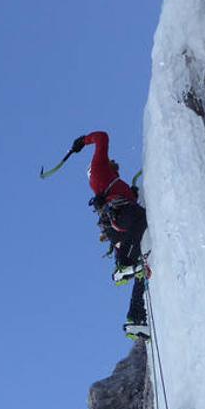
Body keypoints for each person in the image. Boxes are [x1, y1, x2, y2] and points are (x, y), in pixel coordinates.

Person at [69, 131, 150, 340]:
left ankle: (136, 319)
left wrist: (132, 193)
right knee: (141, 217)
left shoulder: (113, 182)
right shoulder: (99, 169)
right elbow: (102, 137)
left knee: (143, 266)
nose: (115, 163)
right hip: (123, 218)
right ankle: (122, 267)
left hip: (119, 229)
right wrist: (82, 141)